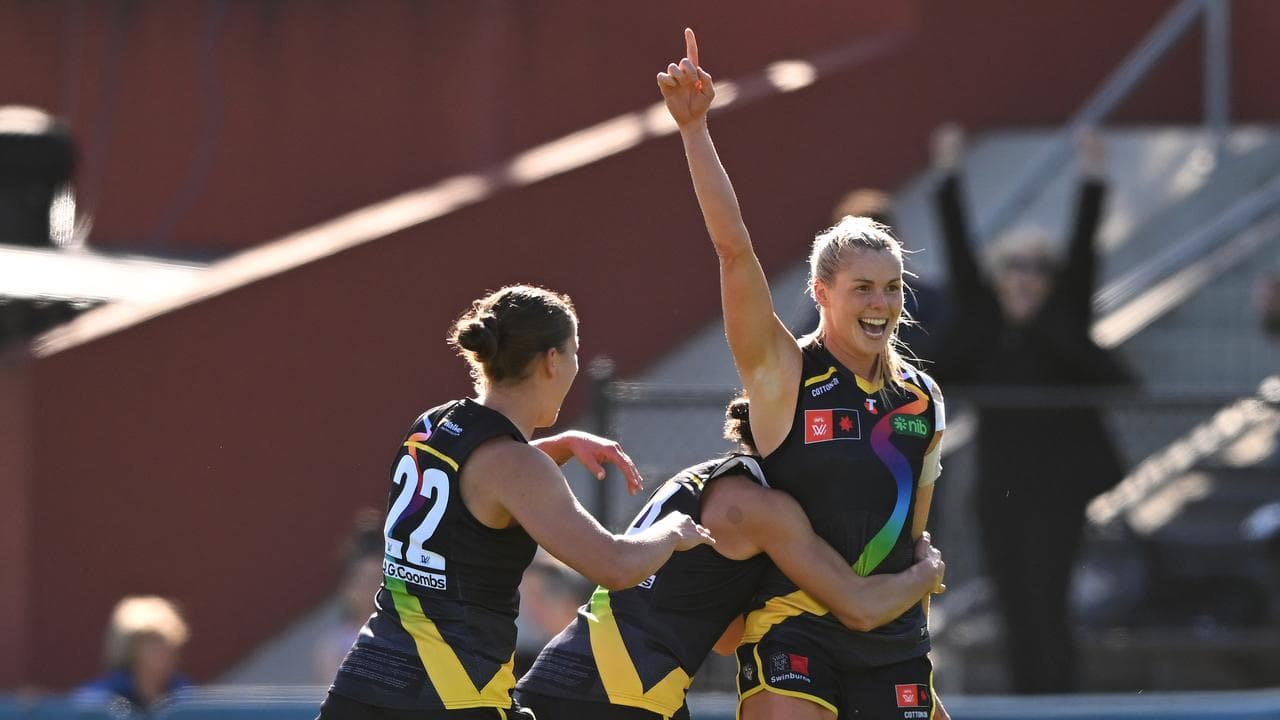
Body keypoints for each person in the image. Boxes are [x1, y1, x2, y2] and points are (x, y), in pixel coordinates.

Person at [658, 30, 949, 720]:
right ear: (821, 293)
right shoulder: (783, 372)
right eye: (862, 289)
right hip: (795, 629)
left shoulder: (923, 398)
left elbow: (914, 544)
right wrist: (695, 130)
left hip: (891, 637)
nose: (880, 304)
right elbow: (733, 251)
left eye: (892, 288)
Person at [318, 285, 714, 719]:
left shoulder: (432, 425)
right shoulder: (517, 465)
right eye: (574, 352)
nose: (576, 366)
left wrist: (557, 446)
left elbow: (472, 487)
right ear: (551, 360)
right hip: (452, 695)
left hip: (363, 684)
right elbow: (616, 566)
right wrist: (672, 530)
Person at [514, 397, 947, 720]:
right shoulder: (760, 509)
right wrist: (926, 572)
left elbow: (723, 636)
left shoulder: (705, 477)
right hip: (623, 693)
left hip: (566, 674)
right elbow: (859, 607)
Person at [928, 123, 1136, 693]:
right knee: (1013, 605)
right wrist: (948, 174)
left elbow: (1084, 250)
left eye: (1038, 269)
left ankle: (1059, 699)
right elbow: (959, 254)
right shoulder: (985, 325)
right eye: (1014, 267)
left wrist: (1093, 175)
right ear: (999, 276)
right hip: (1000, 489)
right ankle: (1027, 701)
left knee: (1049, 602)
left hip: (1058, 490)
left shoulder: (1062, 321)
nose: (1025, 278)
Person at [73, 595, 193, 715]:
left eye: (168, 642)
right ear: (130, 648)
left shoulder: (186, 697)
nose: (165, 651)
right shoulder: (98, 700)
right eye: (152, 642)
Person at [313, 509, 387, 684]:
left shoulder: (404, 640)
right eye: (362, 581)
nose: (369, 589)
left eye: (376, 581)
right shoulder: (333, 648)